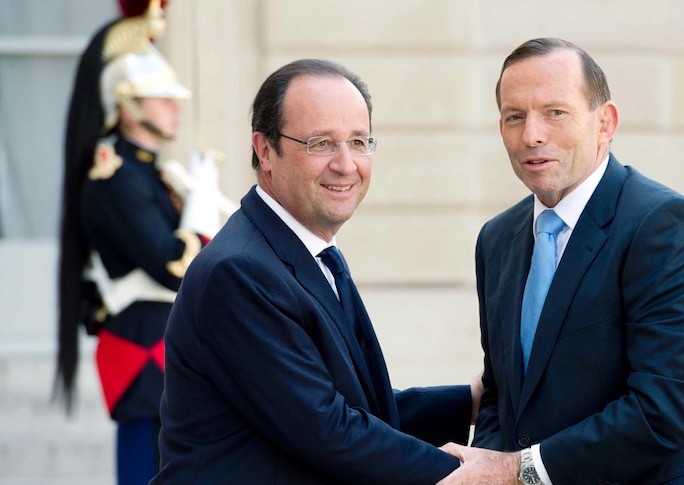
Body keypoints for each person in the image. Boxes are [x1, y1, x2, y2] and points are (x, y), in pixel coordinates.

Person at [152, 58, 479, 485]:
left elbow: (360, 409)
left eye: (359, 142)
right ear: (266, 150)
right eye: (321, 143)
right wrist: (479, 476)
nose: (346, 164)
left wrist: (469, 402)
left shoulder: (307, 253)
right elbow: (329, 429)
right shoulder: (240, 272)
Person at [439, 38, 684, 484]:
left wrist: (517, 473)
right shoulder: (497, 240)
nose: (532, 134)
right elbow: (503, 395)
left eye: (555, 112)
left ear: (605, 122)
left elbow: (663, 412)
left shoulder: (665, 227)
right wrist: (487, 463)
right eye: (514, 117)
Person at [56, 1, 221, 483]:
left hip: (167, 345)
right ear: (127, 104)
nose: (174, 107)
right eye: (161, 97)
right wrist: (199, 209)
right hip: (144, 348)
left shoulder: (146, 172)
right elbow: (174, 264)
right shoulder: (114, 178)